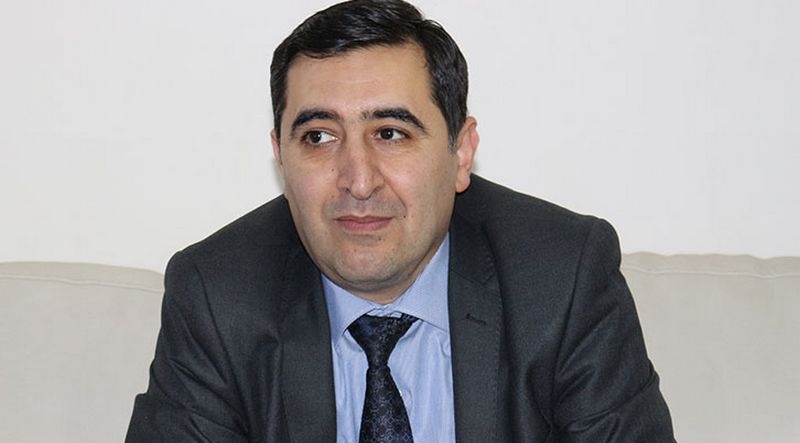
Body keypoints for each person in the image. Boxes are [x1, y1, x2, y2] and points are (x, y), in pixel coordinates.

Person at [126, 0, 675, 441]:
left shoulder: (563, 276)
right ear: (281, 157)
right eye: (319, 136)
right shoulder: (217, 294)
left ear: (461, 152)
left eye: (390, 133)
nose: (358, 180)